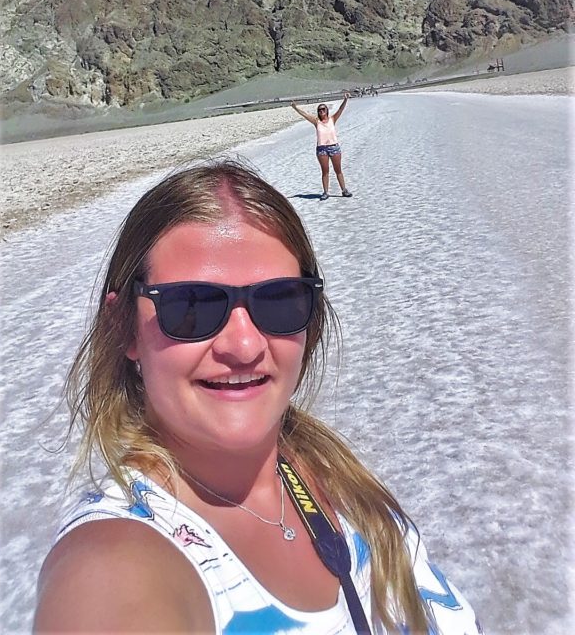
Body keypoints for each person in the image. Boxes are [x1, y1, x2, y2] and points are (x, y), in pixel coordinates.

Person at [34, 161, 480, 635]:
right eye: (191, 307)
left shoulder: (328, 470)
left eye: (279, 300)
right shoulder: (113, 561)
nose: (244, 346)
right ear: (122, 326)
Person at [291, 95, 353, 200]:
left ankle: (344, 190)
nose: (321, 111)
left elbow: (340, 109)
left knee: (338, 170)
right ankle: (325, 192)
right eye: (319, 110)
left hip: (334, 147)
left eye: (323, 109)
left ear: (327, 111)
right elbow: (305, 115)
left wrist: (345, 100)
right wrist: (295, 107)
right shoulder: (316, 122)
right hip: (322, 149)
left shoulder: (332, 119)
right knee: (325, 171)